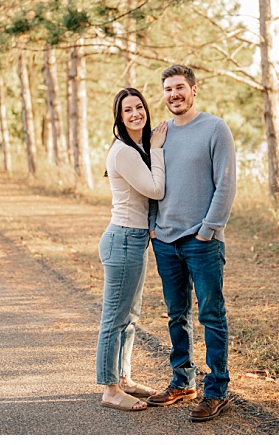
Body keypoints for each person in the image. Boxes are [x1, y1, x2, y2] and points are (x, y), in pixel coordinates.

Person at [146, 64, 237, 423]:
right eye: (168, 89)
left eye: (180, 87)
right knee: (176, 314)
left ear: (193, 90)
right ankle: (183, 381)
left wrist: (208, 230)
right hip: (165, 241)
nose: (174, 94)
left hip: (202, 241)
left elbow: (226, 183)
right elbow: (152, 181)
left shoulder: (215, 128)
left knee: (211, 314)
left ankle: (216, 390)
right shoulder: (160, 133)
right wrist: (154, 226)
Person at [96, 87, 168, 411]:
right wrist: (158, 149)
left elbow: (149, 199)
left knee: (130, 317)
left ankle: (123, 378)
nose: (136, 113)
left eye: (139, 107)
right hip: (122, 239)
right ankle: (110, 390)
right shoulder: (125, 151)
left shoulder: (137, 146)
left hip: (134, 240)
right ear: (120, 117)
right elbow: (155, 187)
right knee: (114, 318)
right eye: (128, 110)